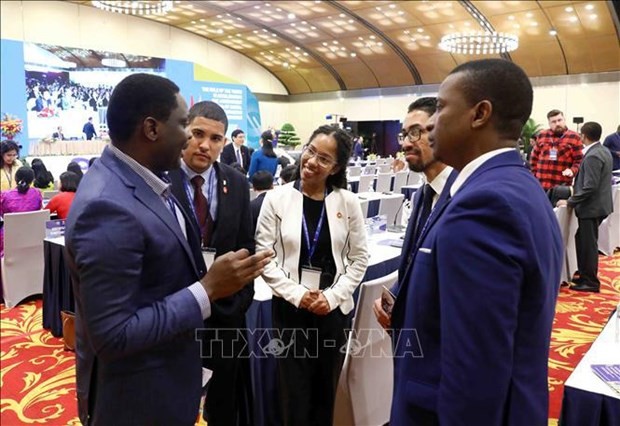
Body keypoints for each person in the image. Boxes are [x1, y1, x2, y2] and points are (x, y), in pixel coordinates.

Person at [64, 73, 271, 425]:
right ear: (151, 129)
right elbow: (113, 335)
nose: (190, 139)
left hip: (167, 379)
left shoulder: (142, 180)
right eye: (183, 125)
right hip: (138, 398)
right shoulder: (107, 206)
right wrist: (206, 290)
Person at [389, 59, 563, 425]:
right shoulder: (514, 184)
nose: (432, 122)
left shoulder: (483, 205)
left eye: (440, 107)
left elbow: (475, 369)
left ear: (480, 113)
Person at [255, 125, 369, 426]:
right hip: (290, 311)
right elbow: (265, 257)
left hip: (332, 312)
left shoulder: (348, 202)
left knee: (325, 393)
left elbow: (359, 259)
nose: (311, 161)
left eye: (324, 158)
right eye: (310, 151)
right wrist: (298, 295)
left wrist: (330, 297)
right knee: (293, 395)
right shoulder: (277, 198)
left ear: (337, 167)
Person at [168, 100, 255, 426]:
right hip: (175, 318)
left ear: (224, 142)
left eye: (215, 138)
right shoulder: (161, 181)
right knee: (174, 405)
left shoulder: (236, 183)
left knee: (223, 406)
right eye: (198, 134)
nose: (205, 145)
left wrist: (238, 303)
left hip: (226, 320)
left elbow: (246, 246)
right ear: (184, 133)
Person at [373, 97, 456, 330]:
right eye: (404, 134)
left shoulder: (465, 195)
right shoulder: (422, 194)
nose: (407, 143)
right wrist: (395, 297)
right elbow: (412, 262)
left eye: (416, 132)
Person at [557, 122, 613, 293]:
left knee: (588, 244)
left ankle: (590, 281)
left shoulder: (593, 156)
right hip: (597, 205)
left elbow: (590, 186)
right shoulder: (603, 151)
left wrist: (571, 201)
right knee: (584, 241)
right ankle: (585, 274)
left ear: (583, 136)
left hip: (591, 207)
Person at [530, 109, 583, 191]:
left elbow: (580, 160)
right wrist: (534, 176)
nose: (557, 124)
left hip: (561, 185)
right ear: (549, 123)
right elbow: (534, 158)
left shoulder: (574, 137)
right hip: (540, 184)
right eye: (553, 122)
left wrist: (572, 170)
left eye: (559, 120)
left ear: (564, 120)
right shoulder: (542, 135)